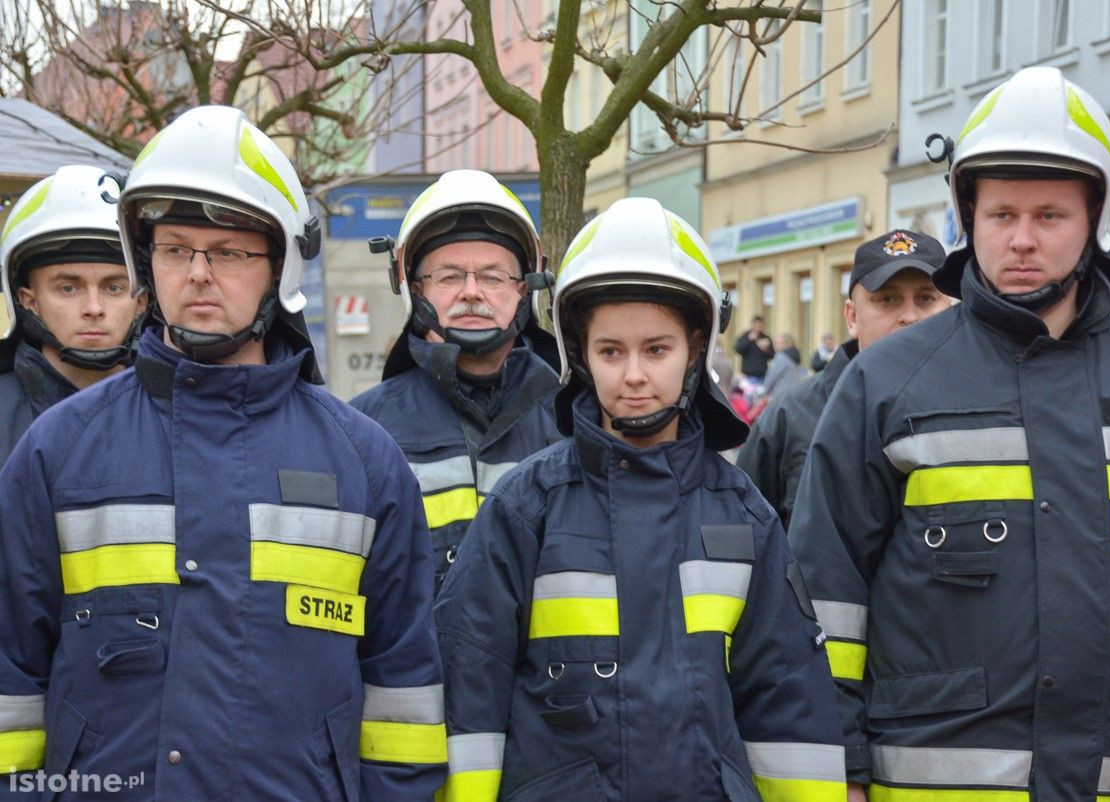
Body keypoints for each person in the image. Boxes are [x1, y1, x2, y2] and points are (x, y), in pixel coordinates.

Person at [0, 107, 445, 798]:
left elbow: (404, 700)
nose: (198, 274)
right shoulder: (57, 452)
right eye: (176, 249)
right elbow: (11, 683)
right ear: (147, 262)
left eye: (230, 251)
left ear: (280, 266)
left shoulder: (364, 462)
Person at [789, 66, 1110, 800]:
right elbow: (825, 602)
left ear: (1096, 219)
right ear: (967, 217)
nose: (1021, 240)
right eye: (1002, 214)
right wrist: (837, 779)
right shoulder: (885, 386)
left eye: (1050, 216)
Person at [435, 197, 846, 800]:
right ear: (579, 356)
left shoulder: (742, 515)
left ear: (695, 350)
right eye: (610, 351)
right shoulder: (527, 507)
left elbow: (788, 707)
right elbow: (469, 683)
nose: (633, 374)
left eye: (656, 349)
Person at [350, 169, 561, 594]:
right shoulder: (361, 430)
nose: (471, 292)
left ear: (526, 290)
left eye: (492, 276)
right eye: (448, 276)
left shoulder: (570, 421)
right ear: (413, 290)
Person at [738, 229, 950, 528]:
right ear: (852, 318)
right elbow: (748, 541)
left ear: (951, 311)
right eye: (888, 299)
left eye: (926, 299)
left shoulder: (980, 411)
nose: (909, 317)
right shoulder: (789, 419)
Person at [0, 164, 147, 461]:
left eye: (114, 288)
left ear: (141, 302)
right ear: (28, 300)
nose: (93, 308)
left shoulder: (181, 410)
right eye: (69, 288)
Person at [734, 314, 773, 384]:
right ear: (753, 325)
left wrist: (766, 350)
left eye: (760, 325)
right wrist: (748, 340)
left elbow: (772, 355)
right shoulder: (745, 336)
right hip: (748, 375)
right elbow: (738, 349)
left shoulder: (766, 338)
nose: (758, 327)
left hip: (762, 375)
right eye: (757, 325)